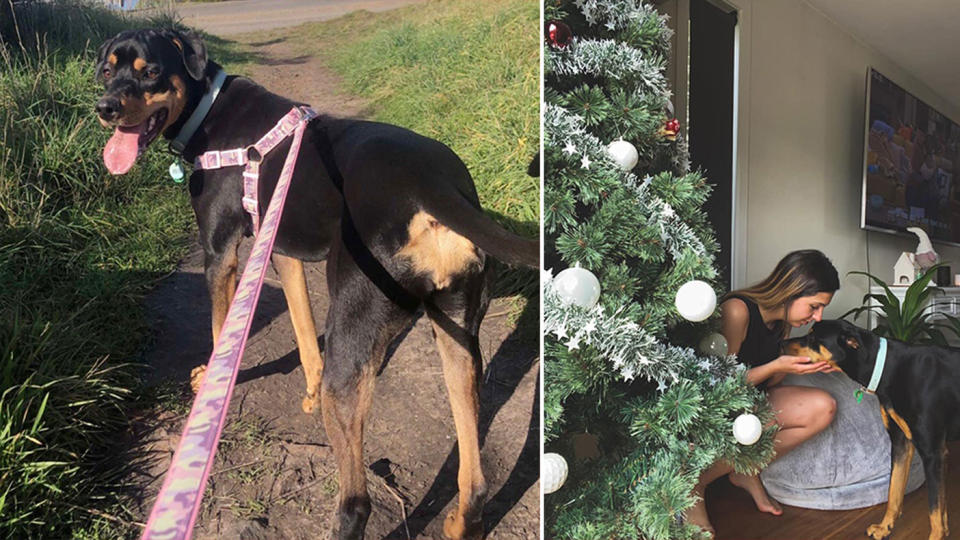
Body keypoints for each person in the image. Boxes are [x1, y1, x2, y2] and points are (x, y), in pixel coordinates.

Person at [686, 249, 841, 537]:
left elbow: (768, 384)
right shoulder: (737, 310)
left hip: (750, 400)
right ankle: (695, 482)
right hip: (715, 406)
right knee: (764, 421)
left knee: (824, 407)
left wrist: (805, 366)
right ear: (792, 291)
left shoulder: (782, 320)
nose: (818, 317)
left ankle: (744, 469)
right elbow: (720, 384)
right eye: (814, 306)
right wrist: (776, 366)